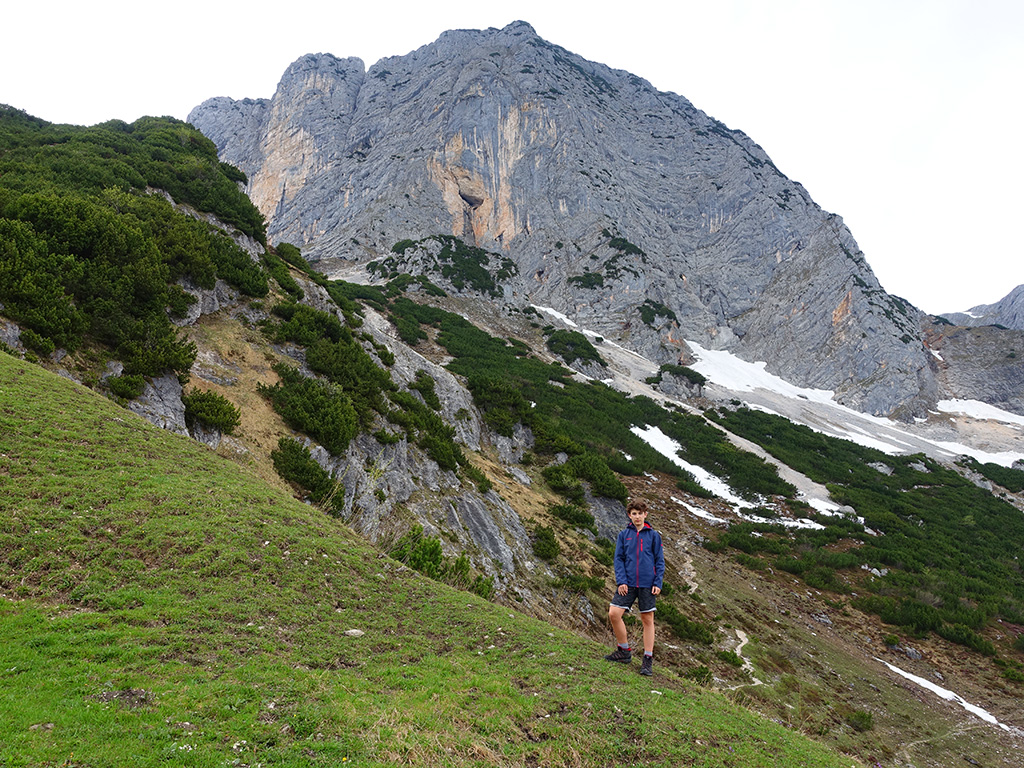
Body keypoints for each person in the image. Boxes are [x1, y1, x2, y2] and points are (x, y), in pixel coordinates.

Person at [604, 500, 665, 676]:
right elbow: (619, 559)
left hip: (648, 584)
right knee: (614, 614)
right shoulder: (624, 535)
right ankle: (624, 651)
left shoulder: (654, 536)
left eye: (640, 513)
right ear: (629, 516)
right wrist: (621, 581)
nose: (637, 517)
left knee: (647, 620)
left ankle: (647, 660)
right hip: (627, 583)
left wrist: (657, 583)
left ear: (645, 514)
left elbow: (659, 561)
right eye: (634, 513)